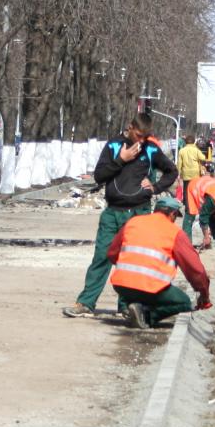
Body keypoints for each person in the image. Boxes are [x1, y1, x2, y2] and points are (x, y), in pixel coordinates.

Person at [63, 113, 178, 317]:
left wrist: (155, 187)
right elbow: (99, 176)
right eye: (139, 135)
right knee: (102, 257)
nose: (141, 140)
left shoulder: (151, 150)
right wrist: (121, 160)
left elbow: (172, 171)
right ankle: (86, 303)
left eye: (146, 136)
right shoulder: (115, 146)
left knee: (131, 261)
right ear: (130, 127)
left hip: (138, 213)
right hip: (112, 212)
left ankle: (126, 306)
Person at [107, 196, 210, 329]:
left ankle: (133, 305)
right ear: (172, 214)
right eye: (175, 217)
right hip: (150, 287)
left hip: (121, 285)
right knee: (184, 302)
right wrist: (204, 294)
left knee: (139, 291)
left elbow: (112, 253)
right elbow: (195, 269)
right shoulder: (174, 232)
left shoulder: (133, 222)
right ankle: (146, 315)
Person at [176, 134, 204, 200]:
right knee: (194, 188)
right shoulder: (196, 150)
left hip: (186, 173)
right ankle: (193, 201)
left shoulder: (182, 151)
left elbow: (179, 164)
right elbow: (203, 158)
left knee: (186, 188)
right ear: (194, 141)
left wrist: (178, 174)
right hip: (195, 173)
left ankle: (186, 203)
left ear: (185, 142)